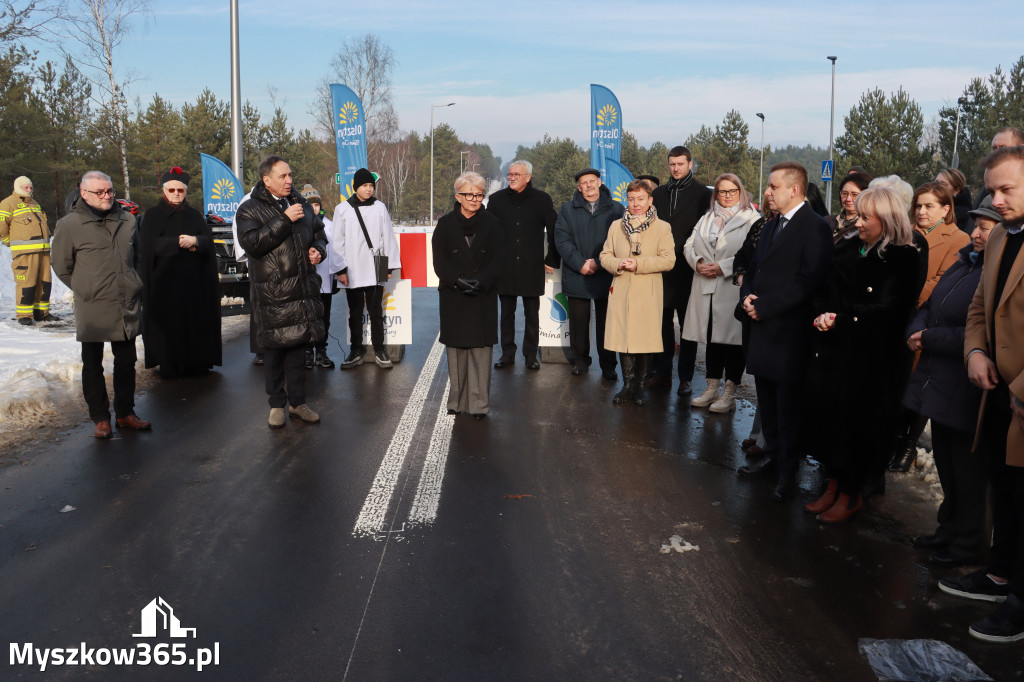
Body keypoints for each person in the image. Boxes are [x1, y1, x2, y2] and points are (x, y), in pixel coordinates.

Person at [801, 187, 921, 523]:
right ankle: (832, 485)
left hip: (871, 357)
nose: (860, 222)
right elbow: (824, 290)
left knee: (857, 427)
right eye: (860, 215)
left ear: (888, 219)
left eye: (867, 217)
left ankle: (851, 493)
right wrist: (823, 313)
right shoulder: (849, 248)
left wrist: (843, 319)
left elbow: (891, 310)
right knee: (830, 422)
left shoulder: (903, 257)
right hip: (834, 350)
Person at [947, 145, 1024, 643]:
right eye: (991, 190)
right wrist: (975, 353)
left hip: (1021, 395)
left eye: (1006, 190)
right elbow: (980, 306)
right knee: (1007, 490)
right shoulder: (999, 238)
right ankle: (1000, 575)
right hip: (995, 393)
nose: (995, 200)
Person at [903, 197, 996, 565]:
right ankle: (948, 529)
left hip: (964, 384)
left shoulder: (995, 274)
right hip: (938, 381)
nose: (975, 234)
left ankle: (968, 544)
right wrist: (917, 329)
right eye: (975, 226)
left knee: (970, 471)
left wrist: (927, 339)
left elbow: (978, 334)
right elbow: (929, 306)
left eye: (984, 228)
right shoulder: (965, 263)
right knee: (947, 463)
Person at [738, 162, 833, 502]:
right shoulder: (770, 225)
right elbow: (753, 268)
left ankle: (788, 470)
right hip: (762, 330)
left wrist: (765, 306)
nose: (767, 192)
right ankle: (772, 457)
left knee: (787, 407)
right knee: (768, 402)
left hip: (789, 334)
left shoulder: (815, 228)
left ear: (794, 190)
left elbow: (809, 281)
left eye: (773, 186)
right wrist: (747, 295)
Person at [51, 171, 150, 438]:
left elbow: (138, 257)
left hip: (125, 302)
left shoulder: (128, 220)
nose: (107, 196)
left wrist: (134, 282)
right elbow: (61, 266)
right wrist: (86, 287)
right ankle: (100, 418)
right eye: (100, 192)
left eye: (110, 191)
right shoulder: (69, 225)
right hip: (92, 305)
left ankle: (125, 413)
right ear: (84, 193)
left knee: (127, 360)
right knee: (92, 362)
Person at [236, 156, 327, 428]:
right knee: (275, 353)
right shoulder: (249, 209)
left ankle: (298, 403)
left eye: (290, 175)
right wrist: (284, 220)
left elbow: (320, 233)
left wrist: (318, 250)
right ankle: (276, 405)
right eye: (282, 176)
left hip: (301, 291)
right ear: (267, 180)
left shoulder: (300, 204)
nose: (289, 180)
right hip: (273, 294)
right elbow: (252, 244)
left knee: (299, 351)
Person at [683, 173, 759, 413]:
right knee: (712, 339)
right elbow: (689, 244)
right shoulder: (707, 217)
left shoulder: (751, 219)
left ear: (741, 192)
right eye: (721, 192)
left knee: (733, 342)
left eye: (731, 192)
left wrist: (723, 267)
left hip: (730, 286)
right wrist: (697, 262)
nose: (726, 196)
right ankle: (711, 387)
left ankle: (729, 392)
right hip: (705, 284)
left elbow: (751, 253)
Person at [138, 166, 221, 377]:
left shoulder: (194, 216)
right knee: (169, 326)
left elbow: (208, 243)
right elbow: (148, 246)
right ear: (164, 190)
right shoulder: (153, 216)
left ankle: (198, 360)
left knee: (195, 323)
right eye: (172, 190)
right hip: (165, 286)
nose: (176, 194)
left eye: (180, 190)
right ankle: (169, 362)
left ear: (186, 191)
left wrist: (197, 241)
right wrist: (178, 243)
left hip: (194, 285)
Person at [598, 179, 675, 406]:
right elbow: (605, 255)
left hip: (647, 291)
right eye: (631, 199)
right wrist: (618, 263)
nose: (635, 204)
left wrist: (639, 265)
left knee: (644, 340)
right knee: (624, 339)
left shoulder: (662, 227)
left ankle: (641, 386)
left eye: (640, 199)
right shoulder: (616, 226)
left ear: (650, 200)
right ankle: (627, 385)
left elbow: (669, 260)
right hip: (621, 289)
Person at [432, 172, 502, 418]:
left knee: (481, 352)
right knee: (457, 351)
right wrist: (458, 281)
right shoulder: (445, 224)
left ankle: (479, 405)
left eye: (479, 194)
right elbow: (440, 262)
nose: (474, 199)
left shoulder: (493, 223)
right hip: (454, 295)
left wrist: (480, 282)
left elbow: (498, 260)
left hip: (483, 295)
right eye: (469, 194)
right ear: (458, 196)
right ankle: (457, 403)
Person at [649, 147, 713, 395]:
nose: (675, 168)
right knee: (662, 325)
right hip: (662, 269)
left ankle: (685, 377)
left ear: (690, 164)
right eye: (672, 164)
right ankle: (662, 373)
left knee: (689, 327)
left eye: (680, 164)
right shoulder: (658, 193)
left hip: (688, 268)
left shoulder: (701, 194)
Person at [488, 160, 559, 370]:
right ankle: (507, 354)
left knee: (532, 314)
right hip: (505, 267)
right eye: (510, 174)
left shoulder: (542, 200)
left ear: (528, 177)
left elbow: (554, 229)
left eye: (517, 174)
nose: (512, 177)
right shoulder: (496, 200)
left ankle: (530, 355)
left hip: (531, 266)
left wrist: (552, 258)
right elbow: (487, 233)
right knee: (506, 314)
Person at [554, 168, 624, 379]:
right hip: (578, 275)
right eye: (584, 183)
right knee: (578, 322)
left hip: (606, 274)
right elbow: (562, 239)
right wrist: (579, 263)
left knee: (607, 324)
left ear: (599, 182)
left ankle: (608, 365)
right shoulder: (567, 209)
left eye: (592, 181)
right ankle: (580, 361)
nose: (589, 185)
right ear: (579, 187)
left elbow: (620, 241)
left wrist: (599, 263)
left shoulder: (617, 209)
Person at [331, 169, 400, 370]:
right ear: (356, 188)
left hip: (376, 265)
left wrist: (389, 266)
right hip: (352, 268)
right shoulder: (342, 209)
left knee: (376, 311)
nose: (368, 189)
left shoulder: (380, 208)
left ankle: (380, 349)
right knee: (354, 312)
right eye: (364, 186)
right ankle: (356, 349)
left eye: (371, 186)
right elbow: (337, 241)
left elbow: (387, 236)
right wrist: (340, 270)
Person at [0, 176, 56, 325]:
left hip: (43, 251)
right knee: (27, 283)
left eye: (31, 187)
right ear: (18, 186)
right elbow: (1, 226)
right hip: (24, 253)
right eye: (26, 187)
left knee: (44, 283)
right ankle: (24, 315)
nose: (29, 190)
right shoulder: (7, 204)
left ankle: (42, 312)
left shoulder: (35, 204)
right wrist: (7, 241)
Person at [299, 184, 338, 369]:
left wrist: (336, 276)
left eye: (316, 204)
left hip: (325, 282)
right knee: (307, 316)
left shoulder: (329, 225)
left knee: (323, 317)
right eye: (309, 204)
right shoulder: (299, 225)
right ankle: (306, 352)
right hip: (305, 281)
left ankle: (321, 351)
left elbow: (336, 251)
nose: (313, 208)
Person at [827, 172, 872, 242]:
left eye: (854, 194)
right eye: (844, 194)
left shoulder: (867, 226)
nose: (848, 199)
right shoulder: (827, 221)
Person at [935, 168, 973, 234]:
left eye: (943, 184)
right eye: (936, 182)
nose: (936, 186)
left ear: (956, 190)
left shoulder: (962, 214)